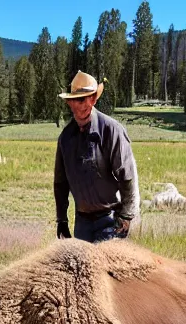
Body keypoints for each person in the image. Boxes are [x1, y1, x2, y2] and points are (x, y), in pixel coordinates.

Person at [54, 72, 140, 244]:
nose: (86, 104)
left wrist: (126, 216)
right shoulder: (65, 138)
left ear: (94, 99)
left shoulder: (112, 130)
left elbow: (127, 176)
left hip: (110, 219)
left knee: (109, 270)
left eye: (90, 98)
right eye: (80, 100)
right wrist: (62, 219)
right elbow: (60, 183)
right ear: (70, 103)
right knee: (82, 270)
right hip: (82, 221)